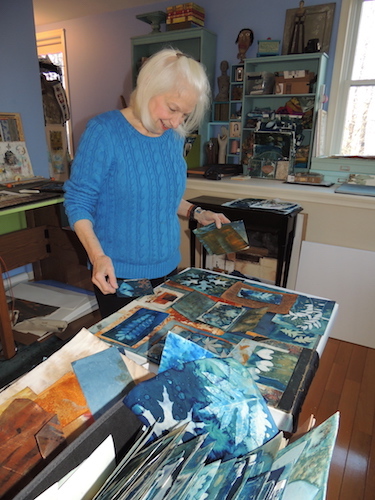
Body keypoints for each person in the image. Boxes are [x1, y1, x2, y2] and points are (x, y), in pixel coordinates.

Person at [64, 48, 230, 318]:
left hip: (167, 267)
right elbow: (78, 201)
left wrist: (197, 213)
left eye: (185, 115)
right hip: (123, 274)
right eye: (173, 109)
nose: (177, 122)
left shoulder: (173, 136)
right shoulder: (104, 132)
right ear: (148, 88)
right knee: (132, 347)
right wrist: (97, 257)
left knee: (161, 341)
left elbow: (159, 194)